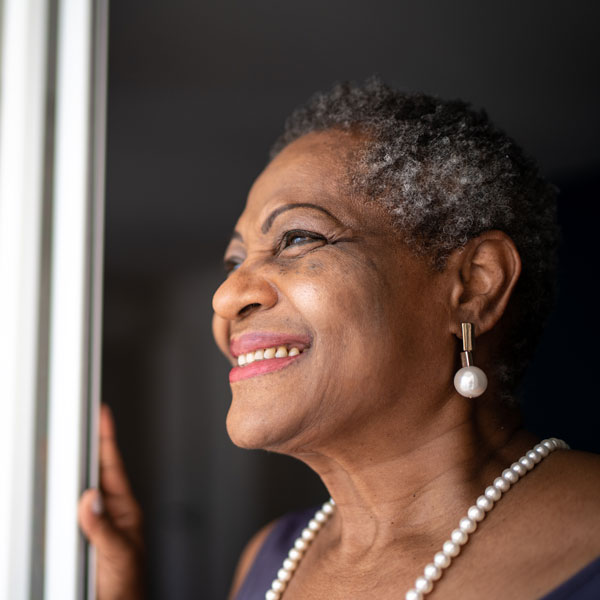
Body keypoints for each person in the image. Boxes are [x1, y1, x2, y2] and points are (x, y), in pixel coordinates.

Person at [79, 78, 600, 599]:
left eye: (297, 238)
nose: (225, 297)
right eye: (235, 260)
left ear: (473, 285)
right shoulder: (271, 557)